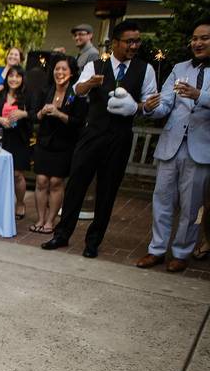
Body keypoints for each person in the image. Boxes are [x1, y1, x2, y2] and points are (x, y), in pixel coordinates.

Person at [42, 20, 158, 258]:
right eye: (129, 41)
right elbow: (77, 91)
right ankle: (62, 234)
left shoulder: (145, 69)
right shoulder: (96, 65)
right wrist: (89, 83)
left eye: (137, 41)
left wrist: (135, 107)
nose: (134, 46)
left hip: (120, 137)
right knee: (76, 185)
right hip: (92, 133)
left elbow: (150, 106)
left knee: (107, 190)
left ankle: (93, 241)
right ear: (115, 42)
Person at [136, 20, 210, 273]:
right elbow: (166, 103)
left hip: (201, 149)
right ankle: (156, 250)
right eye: (194, 38)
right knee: (162, 200)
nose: (197, 43)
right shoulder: (179, 69)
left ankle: (181, 252)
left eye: (204, 38)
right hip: (171, 144)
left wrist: (199, 95)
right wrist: (150, 107)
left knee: (191, 206)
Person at [31, 55, 87, 234]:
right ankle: (40, 219)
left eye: (64, 69)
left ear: (71, 73)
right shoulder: (45, 91)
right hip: (44, 142)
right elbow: (33, 115)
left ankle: (50, 221)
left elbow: (79, 122)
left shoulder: (76, 94)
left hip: (65, 143)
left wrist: (59, 114)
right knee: (41, 180)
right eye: (57, 69)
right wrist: (41, 113)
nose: (60, 72)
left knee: (55, 182)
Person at [0, 65, 32, 219]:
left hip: (20, 139)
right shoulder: (0, 95)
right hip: (1, 138)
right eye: (11, 76)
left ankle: (20, 203)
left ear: (22, 79)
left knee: (17, 174)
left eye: (17, 76)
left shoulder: (27, 96)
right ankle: (1, 204)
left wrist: (23, 114)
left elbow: (35, 114)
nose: (14, 79)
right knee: (0, 173)